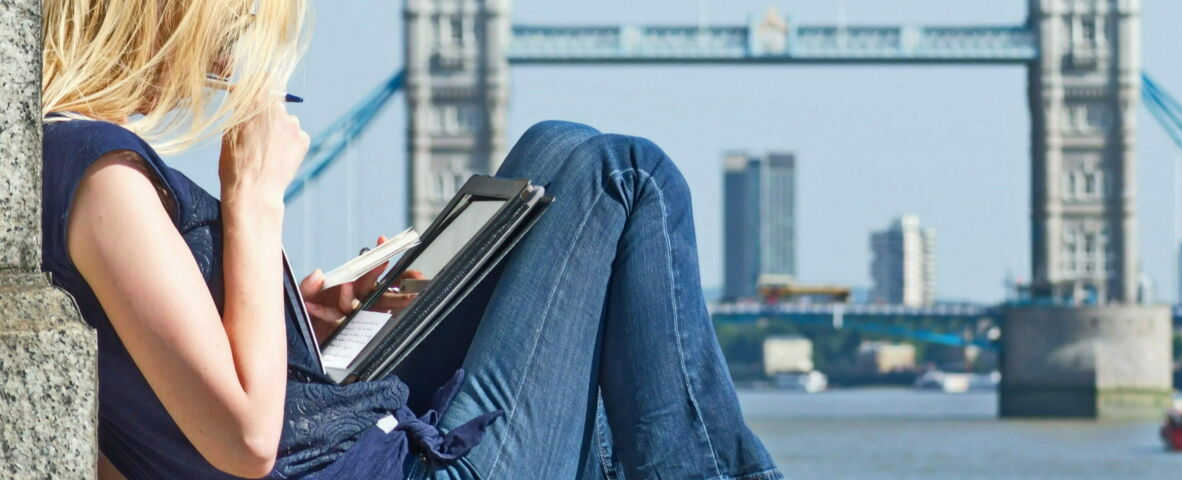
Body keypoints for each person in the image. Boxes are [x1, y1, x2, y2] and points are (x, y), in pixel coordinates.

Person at [38, 0, 779, 478]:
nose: (221, 71)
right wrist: (256, 200)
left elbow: (134, 422)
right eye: (231, 31)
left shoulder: (60, 167)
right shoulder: (105, 176)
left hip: (357, 427)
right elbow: (244, 443)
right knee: (621, 174)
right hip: (394, 470)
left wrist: (290, 320)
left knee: (553, 153)